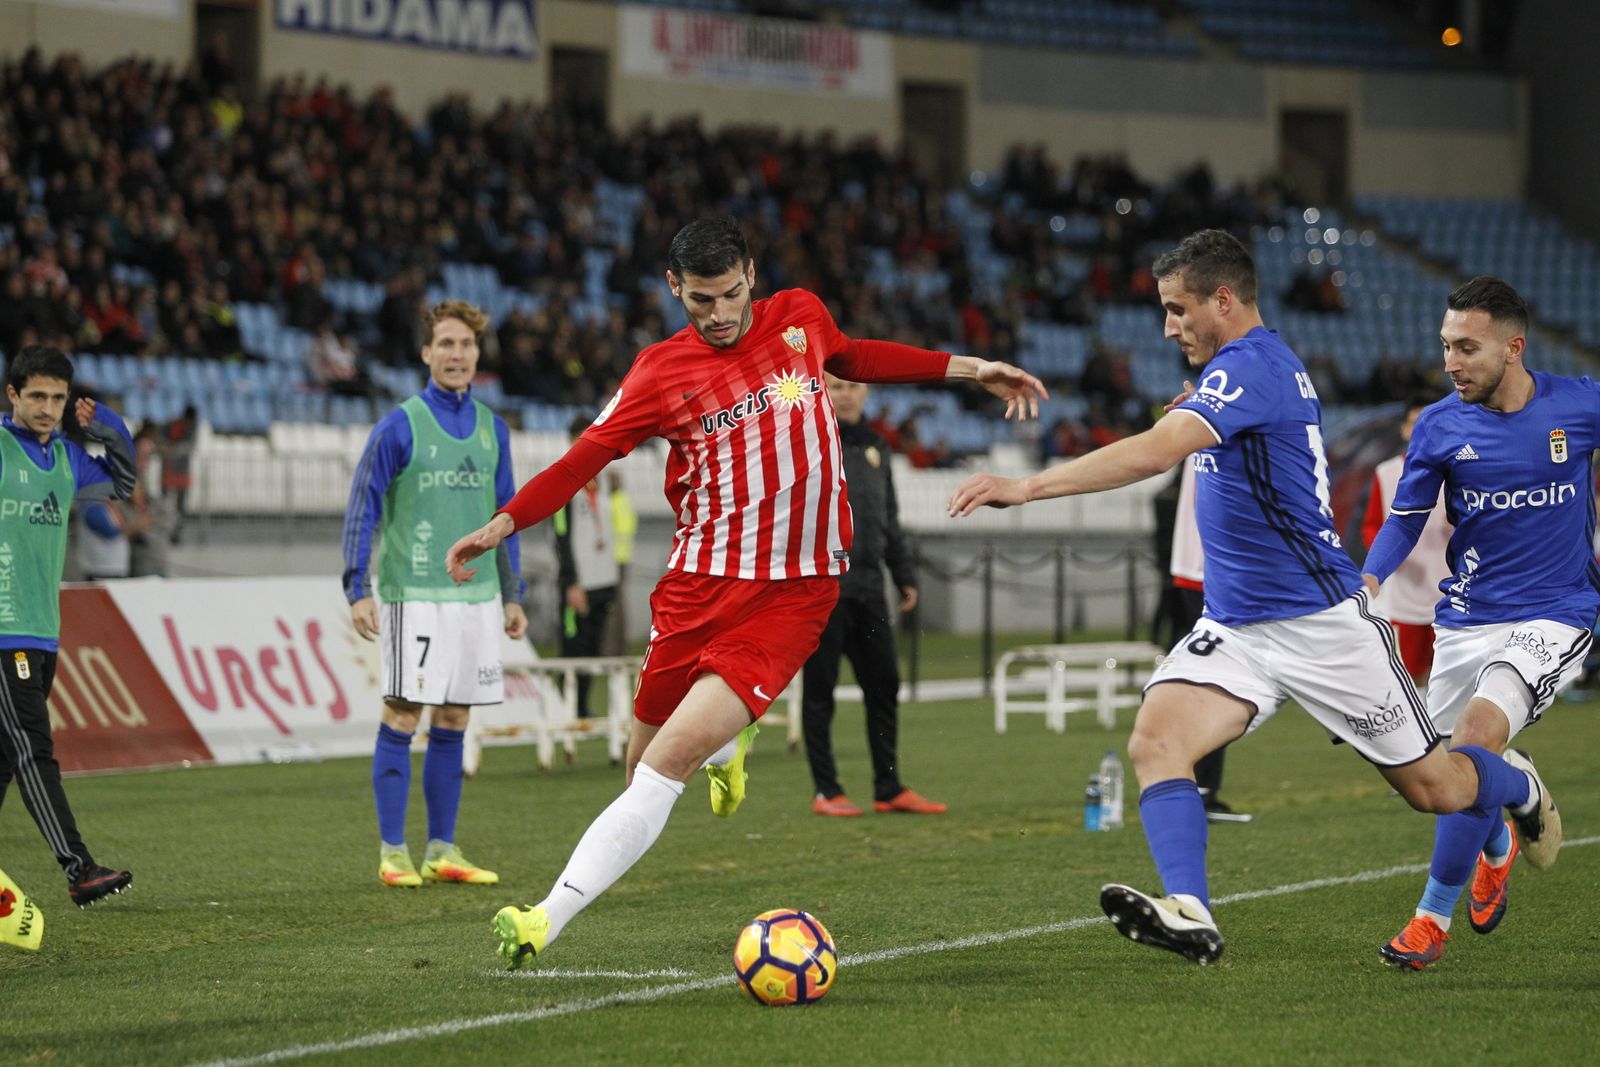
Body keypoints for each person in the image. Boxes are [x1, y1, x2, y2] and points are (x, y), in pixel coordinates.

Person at [947, 231, 1559, 967]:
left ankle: (1514, 783)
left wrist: (1027, 485)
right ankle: (1191, 910)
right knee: (1156, 741)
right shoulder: (1239, 372)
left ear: (1223, 301)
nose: (1168, 327)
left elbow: (1157, 448)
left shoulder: (1255, 366)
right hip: (1238, 625)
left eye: (1178, 310)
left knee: (1436, 787)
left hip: (1322, 622)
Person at [445, 217, 1045, 966]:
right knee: (640, 766)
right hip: (698, 585)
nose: (720, 314)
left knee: (663, 769)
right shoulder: (658, 373)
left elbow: (858, 355)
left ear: (752, 275)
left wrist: (970, 367)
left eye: (731, 294)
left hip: (795, 590)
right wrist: (502, 524)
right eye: (702, 300)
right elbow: (580, 462)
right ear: (674, 288)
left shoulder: (800, 317)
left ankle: (544, 919)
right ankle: (733, 741)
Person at [1363, 278, 1596, 969]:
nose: (1451, 362)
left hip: (1555, 612)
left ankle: (1430, 920)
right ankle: (1509, 810)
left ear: (1513, 347)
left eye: (1467, 347)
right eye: (1446, 347)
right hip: (1465, 619)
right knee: (1439, 782)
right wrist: (1369, 581)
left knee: (1474, 739)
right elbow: (1405, 518)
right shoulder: (1439, 424)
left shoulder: (1579, 405)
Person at [342, 300, 528, 889]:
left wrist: (512, 594)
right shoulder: (400, 425)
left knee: (454, 717)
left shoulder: (493, 428)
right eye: (445, 344)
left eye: (466, 345)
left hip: (475, 599)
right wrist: (356, 586)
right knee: (403, 713)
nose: (456, 354)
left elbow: (508, 517)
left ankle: (442, 850)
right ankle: (393, 851)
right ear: (426, 353)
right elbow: (362, 507)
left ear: (478, 355)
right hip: (412, 593)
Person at [0, 345, 136, 906]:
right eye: (37, 395)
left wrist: (108, 426)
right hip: (5, 633)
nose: (48, 407)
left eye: (57, 397)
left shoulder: (67, 459)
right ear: (13, 395)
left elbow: (123, 484)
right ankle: (79, 868)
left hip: (42, 631)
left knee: (6, 761)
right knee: (35, 751)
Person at [804, 373, 945, 817]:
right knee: (820, 691)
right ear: (822, 391)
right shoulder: (808, 440)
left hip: (869, 589)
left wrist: (903, 574)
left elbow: (889, 517)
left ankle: (889, 788)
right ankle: (827, 791)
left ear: (866, 393)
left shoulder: (877, 447)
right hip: (821, 589)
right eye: (836, 387)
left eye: (852, 387)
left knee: (884, 685)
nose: (845, 394)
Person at [1151, 461, 1251, 824]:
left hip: (1205, 571)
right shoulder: (1215, 420)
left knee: (1209, 683)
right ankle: (1192, 787)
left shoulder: (1211, 422)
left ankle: (1193, 788)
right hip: (1211, 573)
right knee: (1212, 685)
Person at [1360, 394, 1453, 685]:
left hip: (1449, 590)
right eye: (1415, 423)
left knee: (1446, 677)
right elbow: (1372, 526)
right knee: (1406, 676)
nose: (1421, 430)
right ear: (1403, 429)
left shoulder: (1457, 472)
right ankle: (1417, 730)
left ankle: (1440, 730)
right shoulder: (1386, 472)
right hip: (1404, 595)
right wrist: (1393, 554)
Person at [552, 414, 621, 718]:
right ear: (570, 442)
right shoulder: (563, 481)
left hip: (603, 581)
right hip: (578, 585)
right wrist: (571, 582)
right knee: (573, 650)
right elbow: (561, 538)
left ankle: (582, 709)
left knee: (593, 648)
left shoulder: (602, 480)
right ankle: (563, 708)